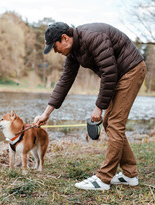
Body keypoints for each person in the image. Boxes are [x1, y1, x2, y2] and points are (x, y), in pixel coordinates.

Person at [34, 22, 146, 191]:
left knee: (115, 124)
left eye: (55, 47)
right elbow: (64, 82)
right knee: (110, 124)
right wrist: (46, 113)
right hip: (119, 75)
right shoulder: (73, 52)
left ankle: (103, 179)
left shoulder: (93, 37)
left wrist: (99, 107)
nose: (56, 52)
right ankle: (129, 175)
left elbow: (109, 73)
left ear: (64, 38)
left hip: (131, 71)